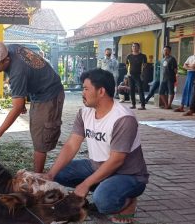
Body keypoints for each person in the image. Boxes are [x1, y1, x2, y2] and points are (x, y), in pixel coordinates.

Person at [44, 68, 149, 224]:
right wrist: (50, 175)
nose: (82, 92)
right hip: (97, 167)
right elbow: (72, 145)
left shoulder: (123, 118)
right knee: (59, 172)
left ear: (101, 91)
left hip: (128, 175)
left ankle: (128, 202)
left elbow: (117, 160)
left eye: (86, 89)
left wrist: (85, 184)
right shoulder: (84, 112)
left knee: (103, 201)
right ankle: (104, 186)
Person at [0, 41, 64, 173]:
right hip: (39, 90)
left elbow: (17, 107)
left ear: (6, 60)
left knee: (40, 140)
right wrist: (23, 98)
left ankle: (37, 178)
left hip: (49, 94)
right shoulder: (10, 48)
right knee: (37, 132)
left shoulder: (17, 71)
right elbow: (30, 72)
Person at [174, 43, 195, 112]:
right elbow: (185, 66)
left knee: (193, 91)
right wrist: (191, 66)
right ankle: (182, 106)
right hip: (189, 74)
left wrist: (190, 66)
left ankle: (191, 108)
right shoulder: (191, 57)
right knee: (186, 90)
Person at [126, 43, 147, 110]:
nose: (134, 47)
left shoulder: (143, 56)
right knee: (131, 90)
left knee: (140, 90)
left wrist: (142, 74)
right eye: (133, 46)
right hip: (130, 75)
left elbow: (145, 65)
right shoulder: (129, 56)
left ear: (138, 47)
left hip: (139, 75)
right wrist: (128, 73)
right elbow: (127, 65)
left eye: (135, 46)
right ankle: (133, 104)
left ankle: (143, 105)